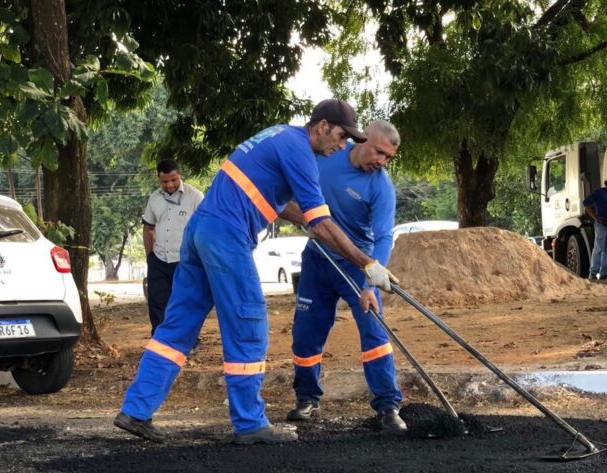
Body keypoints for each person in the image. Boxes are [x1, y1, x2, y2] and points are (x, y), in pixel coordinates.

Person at [113, 99, 398, 445]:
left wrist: (311, 222)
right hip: (226, 236)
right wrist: (367, 263)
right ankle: (249, 424)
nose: (343, 145)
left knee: (177, 326)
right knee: (249, 324)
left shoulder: (278, 135)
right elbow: (321, 224)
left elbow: (284, 206)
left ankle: (136, 410)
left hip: (200, 231)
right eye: (341, 137)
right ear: (322, 126)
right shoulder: (300, 152)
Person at [286, 120, 406, 434]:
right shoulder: (327, 155)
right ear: (363, 139)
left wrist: (370, 283)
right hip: (318, 259)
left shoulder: (381, 186)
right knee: (305, 333)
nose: (382, 161)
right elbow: (286, 199)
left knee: (374, 334)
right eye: (379, 152)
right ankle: (306, 399)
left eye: (388, 158)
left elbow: (382, 238)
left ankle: (388, 405)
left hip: (357, 265)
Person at [143, 159, 204, 335]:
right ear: (158, 178)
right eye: (165, 181)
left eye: (173, 180)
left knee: (187, 301)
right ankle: (160, 340)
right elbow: (148, 227)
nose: (169, 185)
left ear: (180, 175)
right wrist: (150, 257)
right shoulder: (154, 198)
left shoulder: (195, 196)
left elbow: (204, 228)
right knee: (157, 302)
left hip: (186, 260)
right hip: (159, 259)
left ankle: (189, 340)